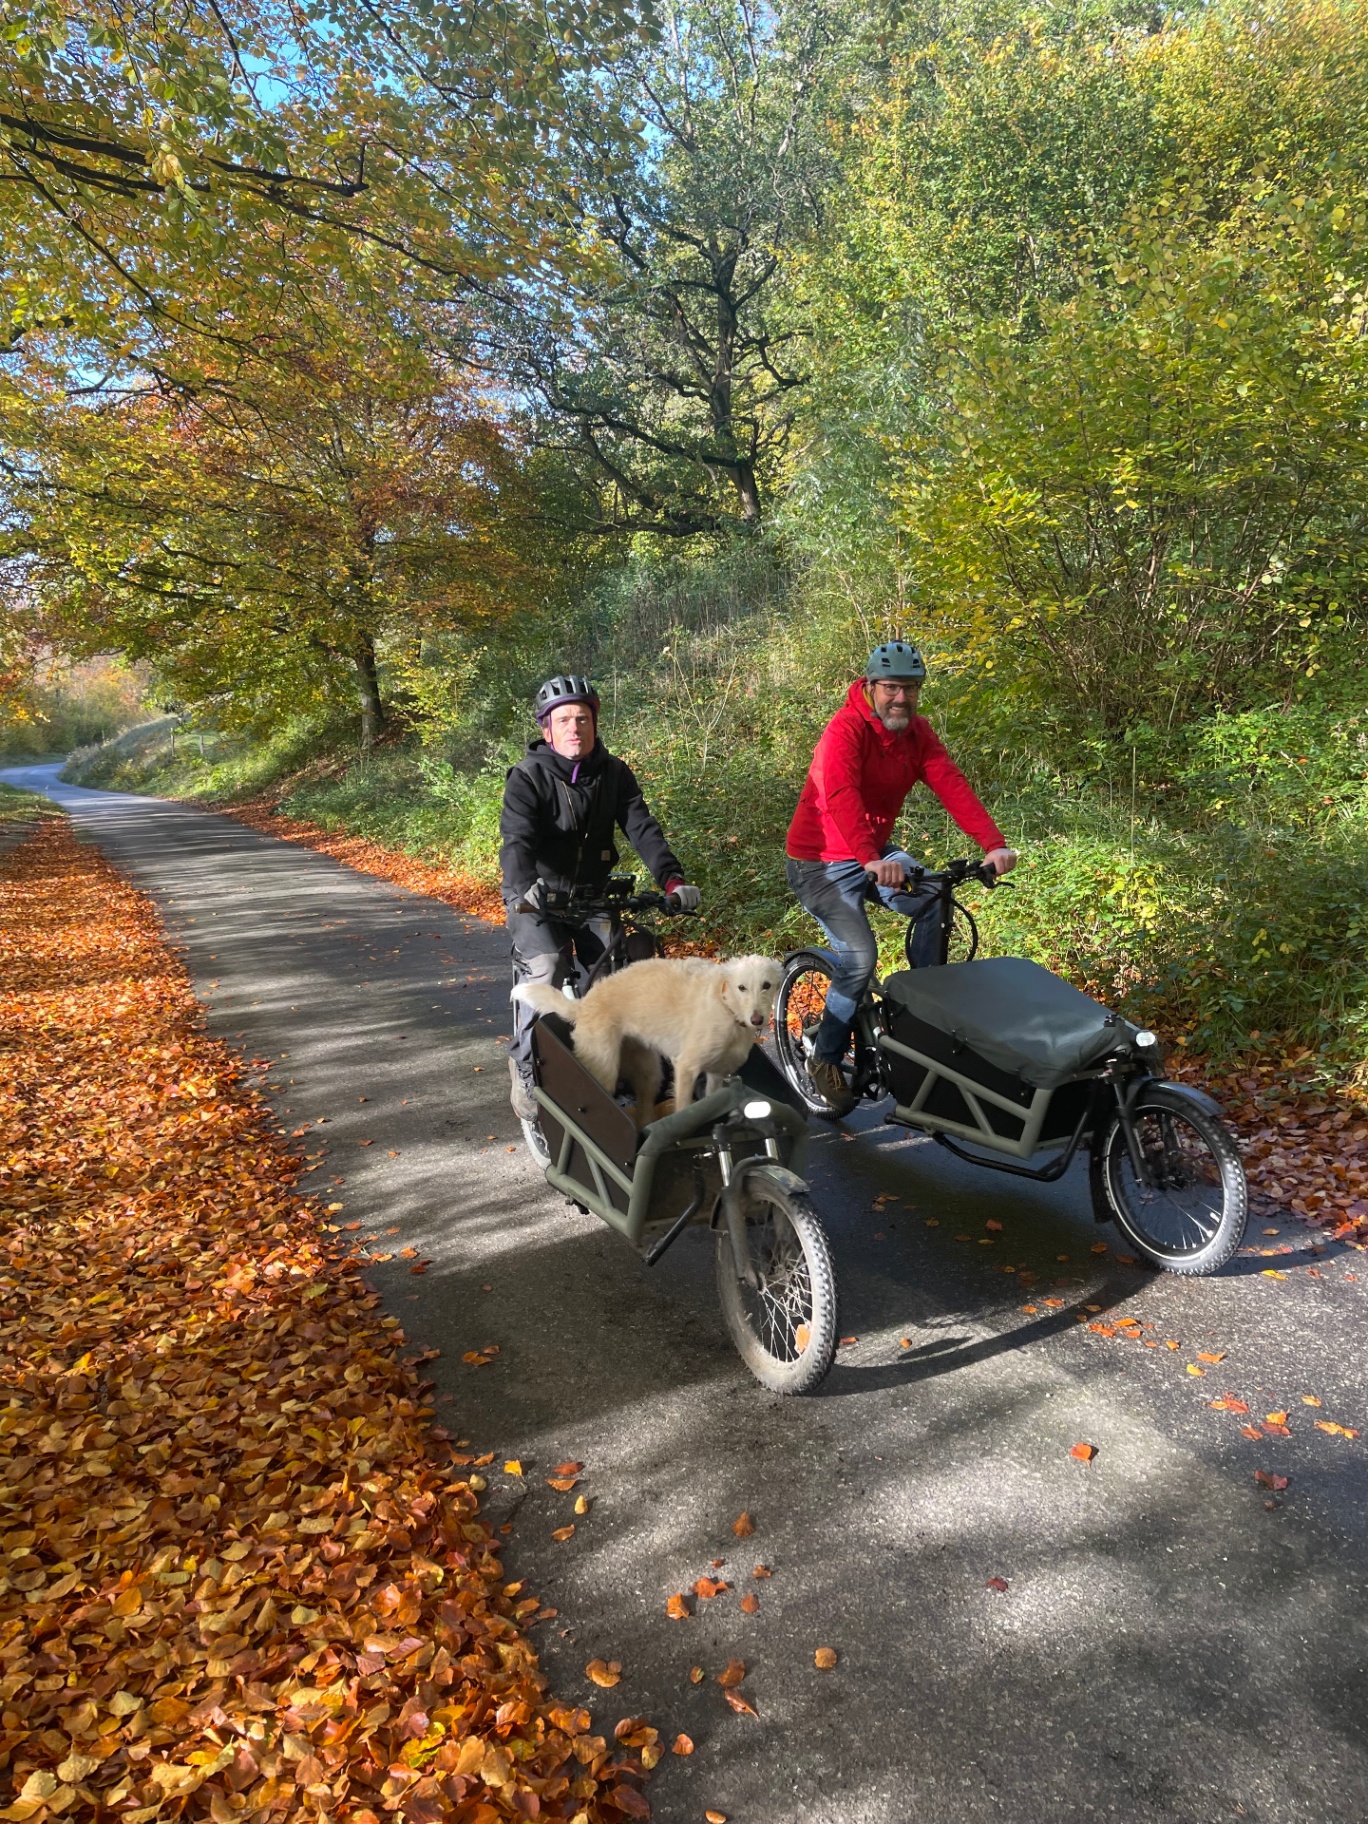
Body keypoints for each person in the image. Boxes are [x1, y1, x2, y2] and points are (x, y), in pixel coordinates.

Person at [786, 642, 1017, 1115]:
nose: (901, 698)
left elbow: (951, 784)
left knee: (935, 896)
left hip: (873, 852)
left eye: (910, 689)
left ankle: (920, 1020)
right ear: (870, 687)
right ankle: (825, 1059)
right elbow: (842, 795)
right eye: (891, 687)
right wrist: (870, 857)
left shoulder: (918, 734)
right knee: (859, 955)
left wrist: (992, 844)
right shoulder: (845, 729)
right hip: (820, 861)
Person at [500, 674, 701, 1121]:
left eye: (583, 718)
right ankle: (526, 1064)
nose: (575, 728)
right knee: (548, 966)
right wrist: (524, 886)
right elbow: (515, 842)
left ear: (595, 723)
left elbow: (642, 828)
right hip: (536, 896)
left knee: (618, 973)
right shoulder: (528, 777)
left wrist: (672, 879)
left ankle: (632, 1067)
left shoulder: (614, 773)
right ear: (546, 729)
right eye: (564, 720)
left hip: (591, 894)